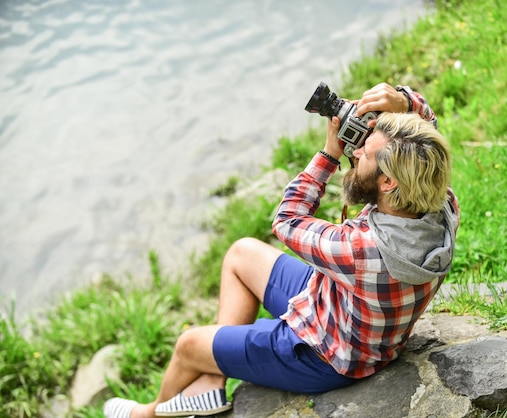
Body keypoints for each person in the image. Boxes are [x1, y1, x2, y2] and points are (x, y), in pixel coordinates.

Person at [103, 82, 460, 418]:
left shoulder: (361, 251)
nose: (358, 148)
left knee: (188, 345)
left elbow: (287, 220)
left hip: (325, 353)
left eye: (365, 154)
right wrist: (406, 103)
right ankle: (213, 379)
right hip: (343, 304)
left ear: (388, 182)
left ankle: (147, 413)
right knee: (241, 254)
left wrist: (330, 153)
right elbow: (428, 140)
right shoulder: (440, 204)